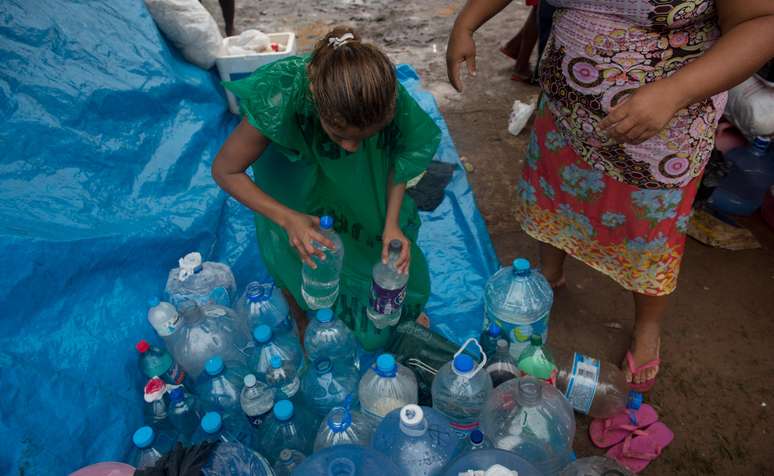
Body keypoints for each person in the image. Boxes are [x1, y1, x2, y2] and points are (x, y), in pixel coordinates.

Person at [447, 0, 774, 390]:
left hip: (663, 129)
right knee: (555, 198)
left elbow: (762, 22)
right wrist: (467, 22)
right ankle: (549, 275)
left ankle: (647, 327)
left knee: (648, 234)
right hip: (567, 106)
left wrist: (676, 91)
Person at [212, 27, 441, 351]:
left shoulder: (382, 97)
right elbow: (225, 169)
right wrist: (287, 218)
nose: (350, 148)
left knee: (375, 238)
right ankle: (303, 318)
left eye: (363, 138)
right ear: (316, 100)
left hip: (358, 184)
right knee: (295, 250)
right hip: (290, 183)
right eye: (339, 134)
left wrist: (391, 222)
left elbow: (400, 157)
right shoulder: (280, 97)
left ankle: (398, 307)